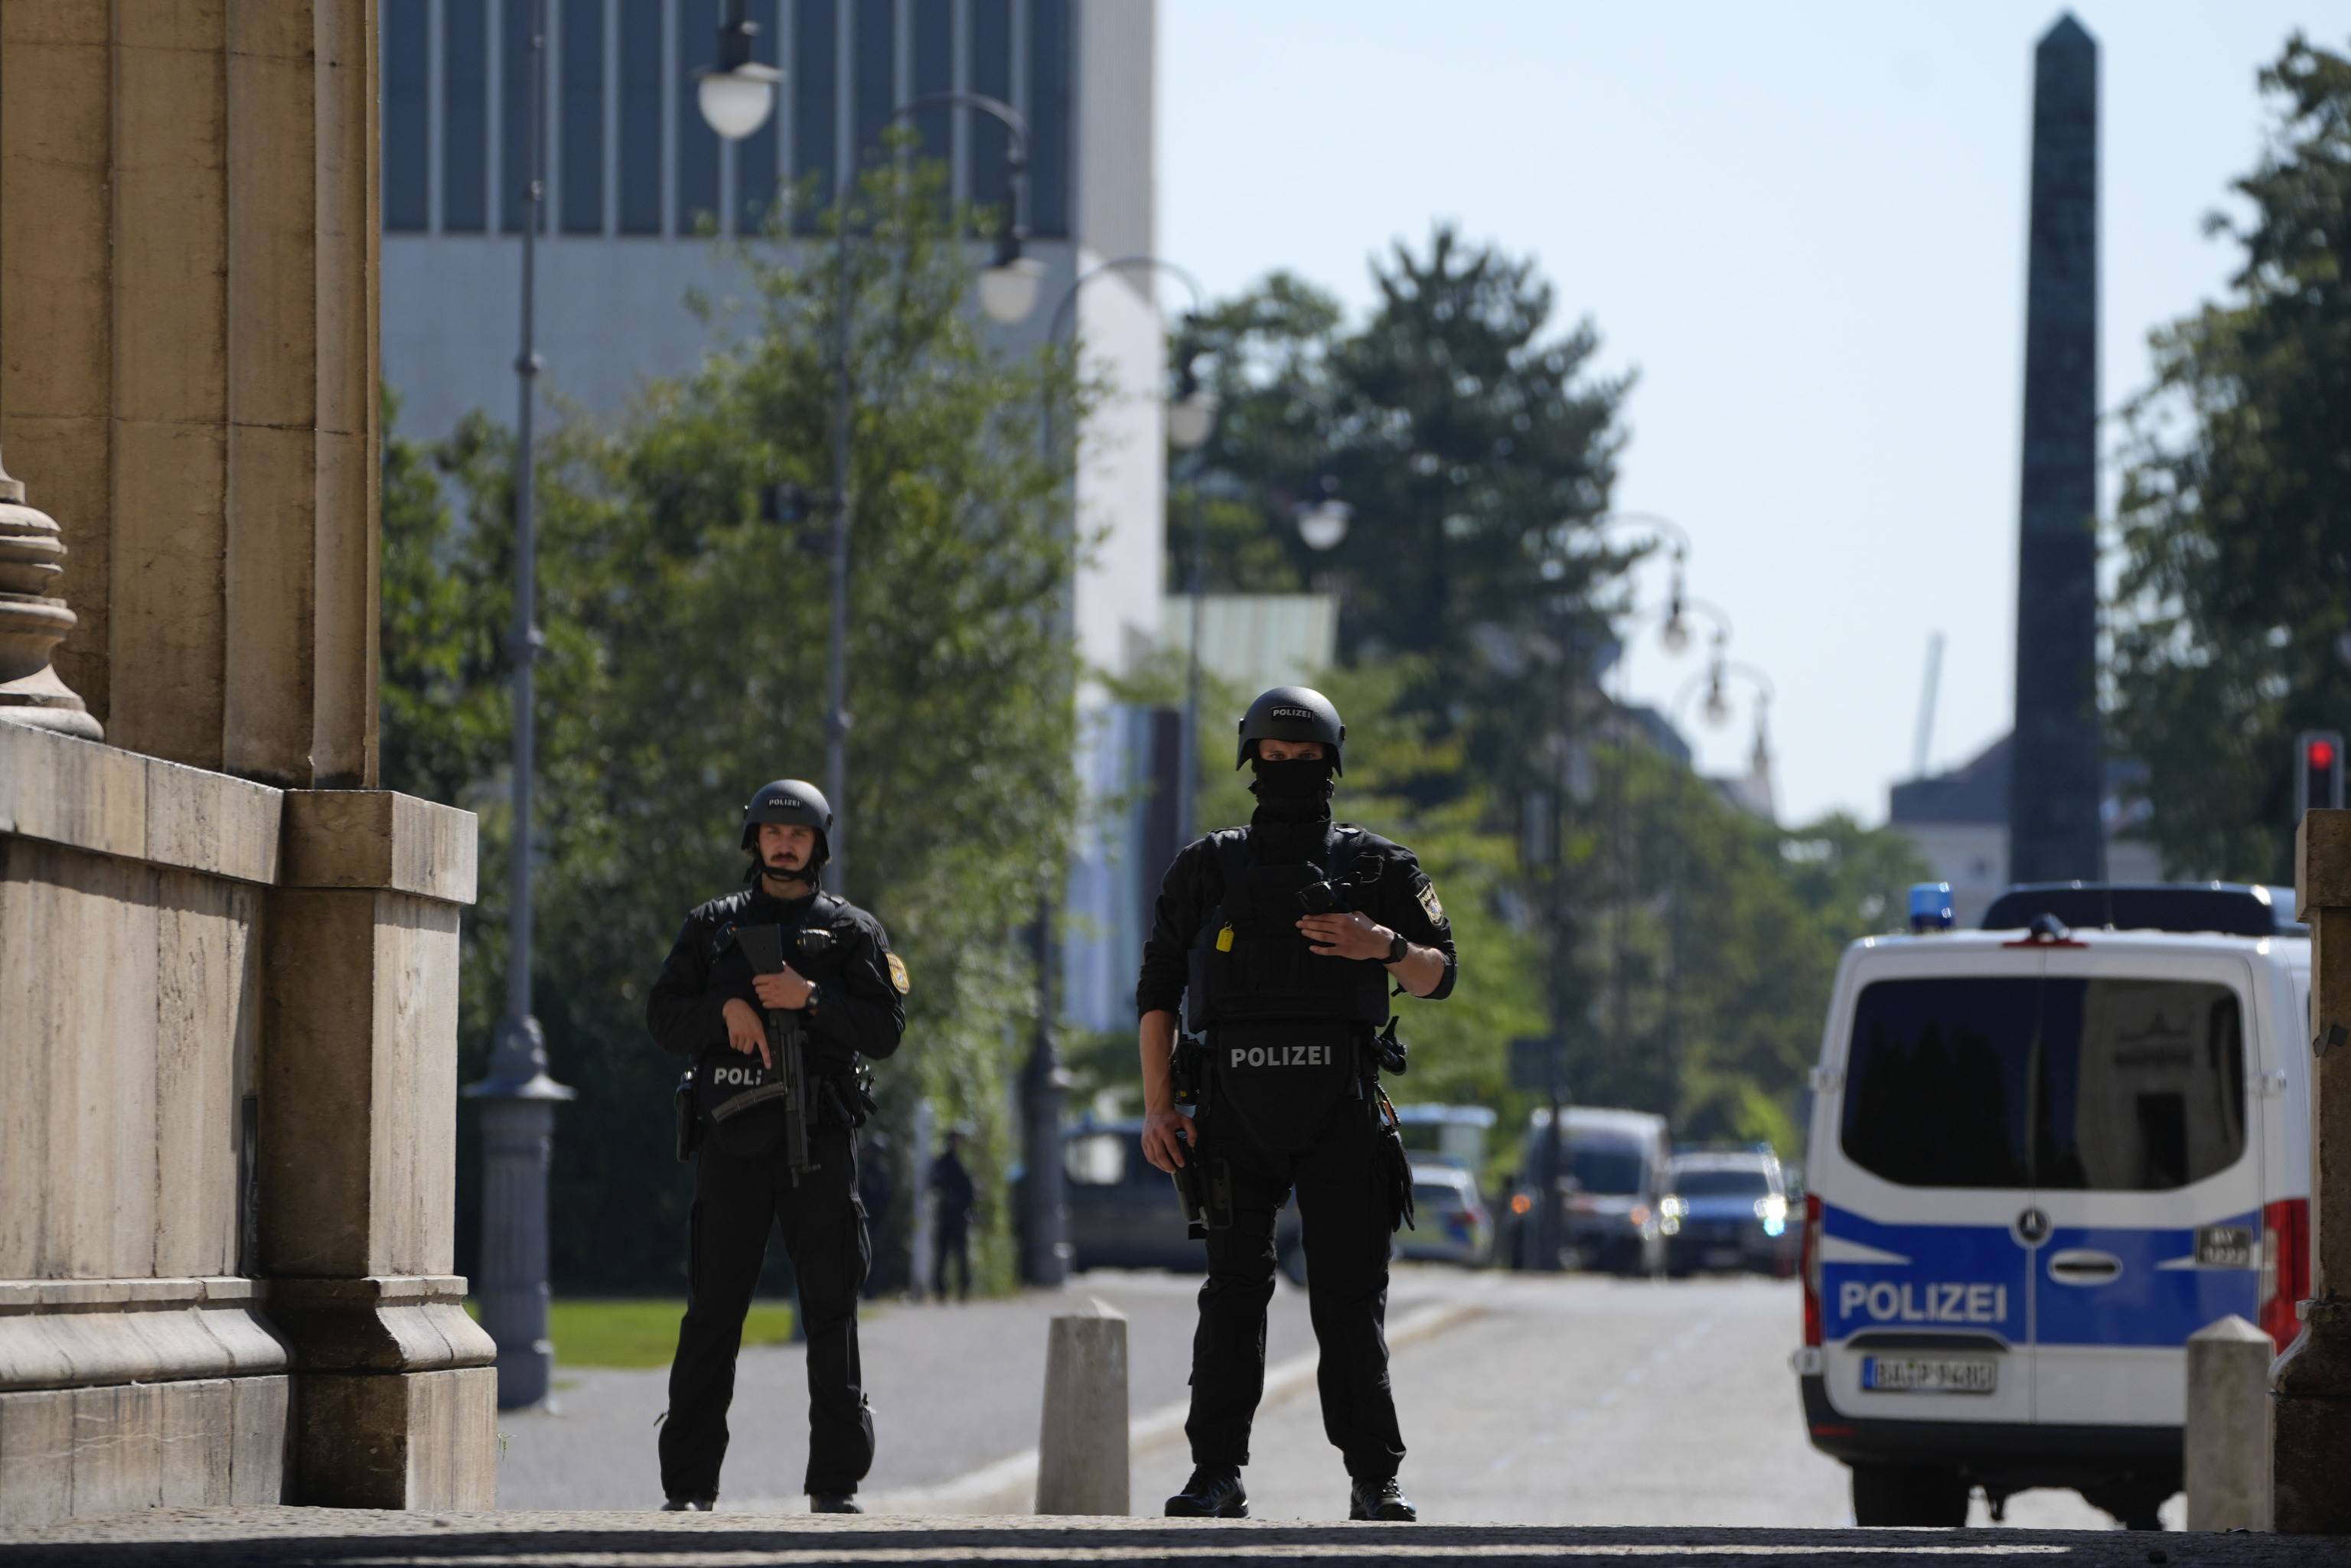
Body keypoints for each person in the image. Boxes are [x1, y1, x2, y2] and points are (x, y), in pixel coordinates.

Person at [1135, 687, 1456, 1524]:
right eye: (1271, 759)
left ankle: (1373, 1479)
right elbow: (1157, 990)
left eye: (1302, 758)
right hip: (1231, 1110)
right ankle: (1215, 1473)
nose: (1286, 771)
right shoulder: (1206, 868)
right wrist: (1158, 1107)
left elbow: (1440, 976)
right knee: (1233, 1294)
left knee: (1350, 1300)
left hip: (1340, 1109)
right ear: (1250, 763)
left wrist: (1379, 944)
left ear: (1331, 762)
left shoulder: (1380, 868)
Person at [647, 779, 909, 1514]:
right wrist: (723, 1007)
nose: (784, 844)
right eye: (772, 832)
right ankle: (689, 1484)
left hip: (819, 1142)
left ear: (819, 844)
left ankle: (836, 1480)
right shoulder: (712, 929)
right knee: (713, 1309)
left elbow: (887, 1030)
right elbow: (662, 1016)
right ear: (754, 841)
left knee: (832, 1309)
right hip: (731, 1142)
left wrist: (813, 999)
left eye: (797, 834)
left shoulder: (852, 933)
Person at [926, 1128, 976, 1302]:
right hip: (949, 1214)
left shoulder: (949, 1163)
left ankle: (960, 1290)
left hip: (955, 1215)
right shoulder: (947, 1163)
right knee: (946, 1254)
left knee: (956, 1254)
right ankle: (943, 1291)